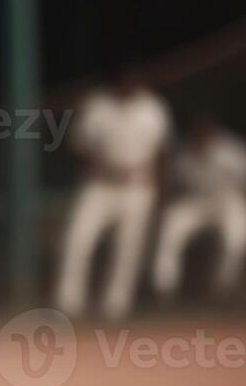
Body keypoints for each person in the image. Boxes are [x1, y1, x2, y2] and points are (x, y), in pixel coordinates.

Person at [54, 72, 171, 321]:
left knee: (128, 247)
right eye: (124, 78)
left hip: (140, 185)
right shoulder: (96, 105)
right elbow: (80, 147)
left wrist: (160, 188)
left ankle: (116, 306)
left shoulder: (153, 107)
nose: (129, 83)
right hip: (100, 184)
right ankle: (68, 304)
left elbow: (163, 151)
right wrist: (105, 167)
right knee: (77, 239)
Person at [152, 118, 246, 299]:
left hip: (229, 200)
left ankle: (224, 289)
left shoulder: (232, 151)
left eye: (206, 132)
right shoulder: (184, 153)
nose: (202, 137)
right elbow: (171, 183)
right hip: (196, 200)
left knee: (236, 239)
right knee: (170, 226)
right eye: (198, 133)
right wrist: (164, 203)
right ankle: (164, 288)